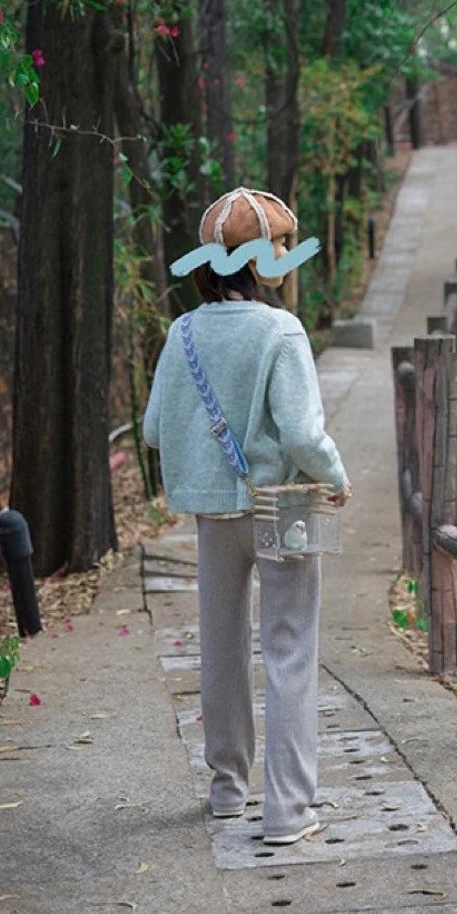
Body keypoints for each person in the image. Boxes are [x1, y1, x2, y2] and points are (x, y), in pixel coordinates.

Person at [143, 187, 351, 846]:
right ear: (257, 261)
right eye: (281, 247)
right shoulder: (280, 330)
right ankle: (289, 808)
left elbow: (153, 429)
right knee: (288, 648)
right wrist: (336, 476)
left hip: (213, 514)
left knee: (222, 645)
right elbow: (303, 434)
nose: (287, 257)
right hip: (279, 506)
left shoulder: (183, 333)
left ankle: (228, 789)